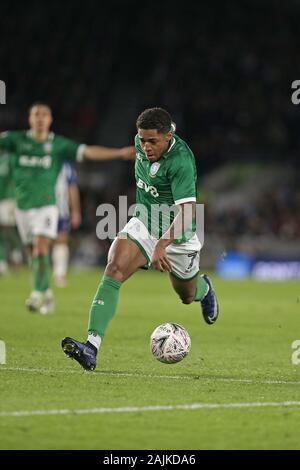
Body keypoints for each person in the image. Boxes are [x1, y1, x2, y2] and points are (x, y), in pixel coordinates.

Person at [62, 107, 219, 371]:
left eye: (152, 141)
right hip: (145, 222)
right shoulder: (141, 141)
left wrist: (162, 244)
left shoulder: (181, 161)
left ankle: (204, 289)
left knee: (186, 294)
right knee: (114, 268)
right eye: (142, 139)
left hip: (178, 236)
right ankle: (91, 346)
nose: (145, 146)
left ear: (168, 137)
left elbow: (188, 211)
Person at [0, 102, 135, 314]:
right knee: (34, 254)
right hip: (22, 207)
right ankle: (47, 293)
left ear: (50, 120)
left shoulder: (58, 145)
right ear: (30, 119)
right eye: (36, 114)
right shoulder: (16, 141)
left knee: (41, 246)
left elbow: (88, 151)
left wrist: (118, 153)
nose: (40, 118)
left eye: (44, 115)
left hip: (47, 206)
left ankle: (36, 295)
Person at [52, 161, 81, 288]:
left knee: (61, 240)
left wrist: (75, 211)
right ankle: (39, 274)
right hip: (40, 208)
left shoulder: (65, 166)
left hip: (60, 209)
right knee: (40, 242)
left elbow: (72, 188)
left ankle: (59, 274)